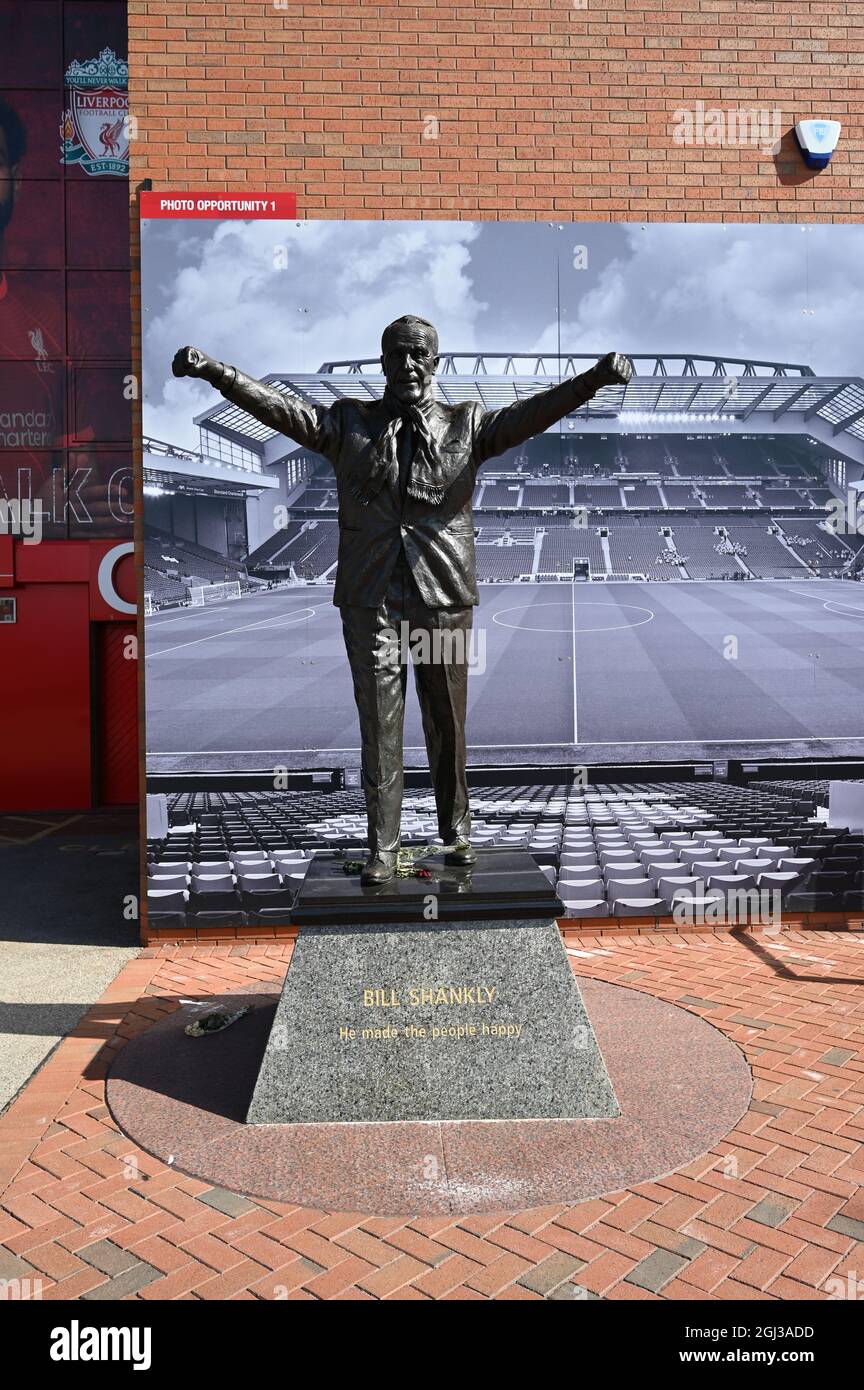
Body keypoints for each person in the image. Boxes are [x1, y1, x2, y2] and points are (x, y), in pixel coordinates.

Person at [173, 318, 632, 883]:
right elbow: (279, 410)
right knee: (379, 724)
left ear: (435, 363)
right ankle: (383, 847)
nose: (408, 365)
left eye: (419, 355)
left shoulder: (468, 423)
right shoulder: (347, 423)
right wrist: (216, 372)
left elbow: (534, 413)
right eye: (397, 355)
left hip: (440, 591)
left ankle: (456, 830)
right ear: (383, 361)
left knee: (448, 720)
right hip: (371, 596)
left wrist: (593, 380)